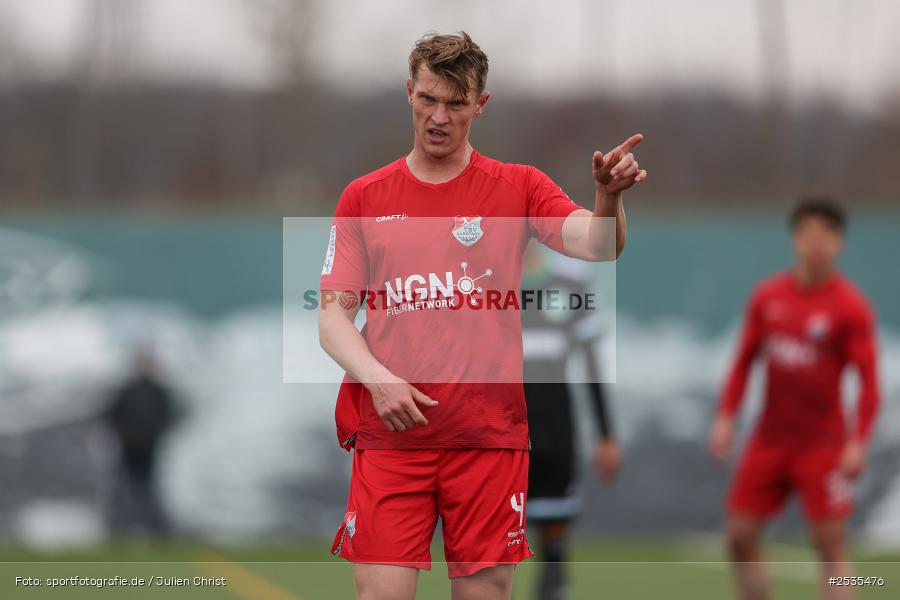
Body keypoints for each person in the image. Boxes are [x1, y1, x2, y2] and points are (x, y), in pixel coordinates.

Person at [318, 31, 646, 600]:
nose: (438, 116)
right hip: (394, 438)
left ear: (480, 104)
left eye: (455, 102)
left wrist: (609, 199)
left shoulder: (519, 187)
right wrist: (378, 379)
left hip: (487, 440)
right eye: (427, 99)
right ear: (409, 93)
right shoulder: (364, 197)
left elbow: (599, 245)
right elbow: (331, 319)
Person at [709, 198, 880, 600]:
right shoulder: (768, 297)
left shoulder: (850, 307)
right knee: (739, 536)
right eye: (809, 235)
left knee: (829, 544)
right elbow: (744, 361)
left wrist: (859, 442)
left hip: (823, 444)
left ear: (839, 242)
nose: (816, 244)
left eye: (826, 236)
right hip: (769, 440)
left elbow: (870, 381)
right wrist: (725, 417)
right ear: (796, 239)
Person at [521, 245, 620, 600]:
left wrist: (606, 434)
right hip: (502, 432)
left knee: (554, 537)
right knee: (498, 545)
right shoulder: (484, 278)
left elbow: (592, 364)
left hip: (556, 426)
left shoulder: (571, 280)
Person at [104, 347, 177, 536]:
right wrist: (123, 434)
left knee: (149, 490)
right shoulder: (128, 391)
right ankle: (119, 531)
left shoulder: (158, 392)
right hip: (128, 449)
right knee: (122, 490)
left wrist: (155, 433)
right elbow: (112, 416)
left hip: (149, 449)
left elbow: (168, 416)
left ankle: (156, 531)